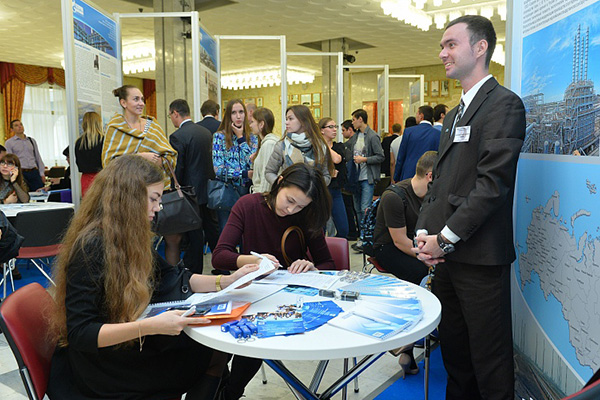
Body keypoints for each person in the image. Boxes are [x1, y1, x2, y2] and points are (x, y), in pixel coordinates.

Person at [47, 155, 260, 399]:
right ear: (128, 198)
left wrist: (227, 281)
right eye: (153, 199)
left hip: (125, 343)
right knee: (208, 352)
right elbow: (81, 334)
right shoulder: (92, 247)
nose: (158, 207)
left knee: (211, 349)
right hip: (102, 368)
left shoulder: (127, 235)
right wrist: (150, 326)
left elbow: (172, 276)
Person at [414, 15, 526, 400]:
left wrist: (443, 239)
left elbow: (491, 185)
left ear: (480, 48)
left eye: (450, 44)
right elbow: (443, 184)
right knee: (457, 358)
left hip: (479, 260)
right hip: (448, 259)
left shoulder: (504, 105)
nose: (442, 52)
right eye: (442, 46)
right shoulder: (454, 114)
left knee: (490, 362)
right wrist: (426, 235)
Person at [212, 163, 334, 400]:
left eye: (300, 206)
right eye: (289, 200)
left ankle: (231, 393)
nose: (291, 210)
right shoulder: (248, 206)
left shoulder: (306, 216)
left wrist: (312, 267)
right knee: (221, 344)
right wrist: (252, 260)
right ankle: (217, 387)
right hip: (251, 293)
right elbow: (220, 255)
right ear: (279, 182)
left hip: (288, 299)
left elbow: (329, 264)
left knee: (256, 338)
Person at [372, 151, 436, 375]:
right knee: (426, 279)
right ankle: (408, 343)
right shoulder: (394, 196)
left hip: (416, 247)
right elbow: (399, 242)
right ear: (430, 175)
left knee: (438, 276)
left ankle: (412, 342)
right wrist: (429, 260)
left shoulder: (430, 196)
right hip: (388, 248)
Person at [167, 99, 219, 274]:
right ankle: (222, 265)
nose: (172, 120)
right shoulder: (205, 133)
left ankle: (194, 272)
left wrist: (176, 189)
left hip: (190, 193)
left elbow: (178, 167)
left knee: (195, 234)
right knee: (212, 230)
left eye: (170, 116)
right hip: (208, 190)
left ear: (175, 113)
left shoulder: (177, 136)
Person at [102, 85, 177, 188]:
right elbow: (109, 164)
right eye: (136, 99)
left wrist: (158, 161)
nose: (141, 103)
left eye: (142, 99)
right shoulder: (115, 128)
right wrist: (140, 158)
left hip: (154, 190)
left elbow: (171, 158)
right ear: (123, 103)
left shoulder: (153, 126)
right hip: (127, 191)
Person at [212, 99, 258, 232]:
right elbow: (218, 170)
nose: (238, 116)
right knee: (227, 233)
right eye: (234, 113)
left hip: (247, 191)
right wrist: (244, 173)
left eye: (241, 112)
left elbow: (252, 163)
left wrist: (241, 138)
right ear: (228, 115)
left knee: (247, 233)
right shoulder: (219, 137)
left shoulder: (253, 137)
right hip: (227, 191)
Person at [265, 105, 332, 187]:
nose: (286, 122)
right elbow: (269, 172)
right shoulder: (282, 146)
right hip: (289, 194)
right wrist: (281, 183)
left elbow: (326, 175)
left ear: (303, 121)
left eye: (290, 119)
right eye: (286, 119)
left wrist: (315, 185)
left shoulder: (319, 145)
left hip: (314, 195)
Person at [346, 109, 384, 249]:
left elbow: (380, 156)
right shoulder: (355, 137)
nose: (353, 122)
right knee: (357, 208)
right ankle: (363, 237)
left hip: (367, 177)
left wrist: (365, 159)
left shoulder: (372, 136)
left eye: (354, 119)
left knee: (365, 208)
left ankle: (366, 237)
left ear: (360, 119)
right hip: (355, 178)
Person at [393, 105, 440, 182]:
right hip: (428, 176)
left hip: (408, 175)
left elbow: (401, 156)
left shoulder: (409, 132)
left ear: (421, 116)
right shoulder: (438, 134)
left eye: (417, 114)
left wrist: (396, 177)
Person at [319, 117, 348, 238]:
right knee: (321, 228)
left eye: (335, 127)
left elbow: (337, 159)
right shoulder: (316, 148)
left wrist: (323, 145)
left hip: (335, 191)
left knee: (343, 228)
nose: (335, 130)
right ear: (322, 130)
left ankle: (335, 248)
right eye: (330, 127)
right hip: (321, 191)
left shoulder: (338, 146)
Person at [5, 119, 45, 191]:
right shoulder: (9, 143)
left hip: (34, 172)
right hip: (21, 173)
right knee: (23, 196)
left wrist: (42, 173)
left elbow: (38, 157)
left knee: (40, 195)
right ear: (12, 129)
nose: (20, 127)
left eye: (21, 124)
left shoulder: (31, 140)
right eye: (16, 125)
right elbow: (10, 161)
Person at [249, 107, 278, 194]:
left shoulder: (269, 144)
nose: (250, 125)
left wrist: (261, 201)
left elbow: (266, 179)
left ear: (261, 124)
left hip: (262, 195)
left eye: (252, 122)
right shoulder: (264, 143)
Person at [75, 111, 104, 196]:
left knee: (88, 206)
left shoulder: (79, 142)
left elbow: (79, 163)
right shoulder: (104, 140)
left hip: (85, 178)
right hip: (101, 177)